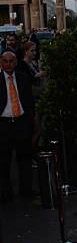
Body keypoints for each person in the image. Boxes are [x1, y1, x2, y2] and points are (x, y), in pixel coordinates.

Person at [0, 51, 35, 202]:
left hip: (21, 122)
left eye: (11, 61)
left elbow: (29, 102)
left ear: (15, 62)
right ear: (1, 63)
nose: (8, 64)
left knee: (25, 159)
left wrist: (29, 122)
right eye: (5, 61)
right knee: (3, 161)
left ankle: (26, 190)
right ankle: (5, 192)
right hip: (3, 125)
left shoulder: (24, 79)